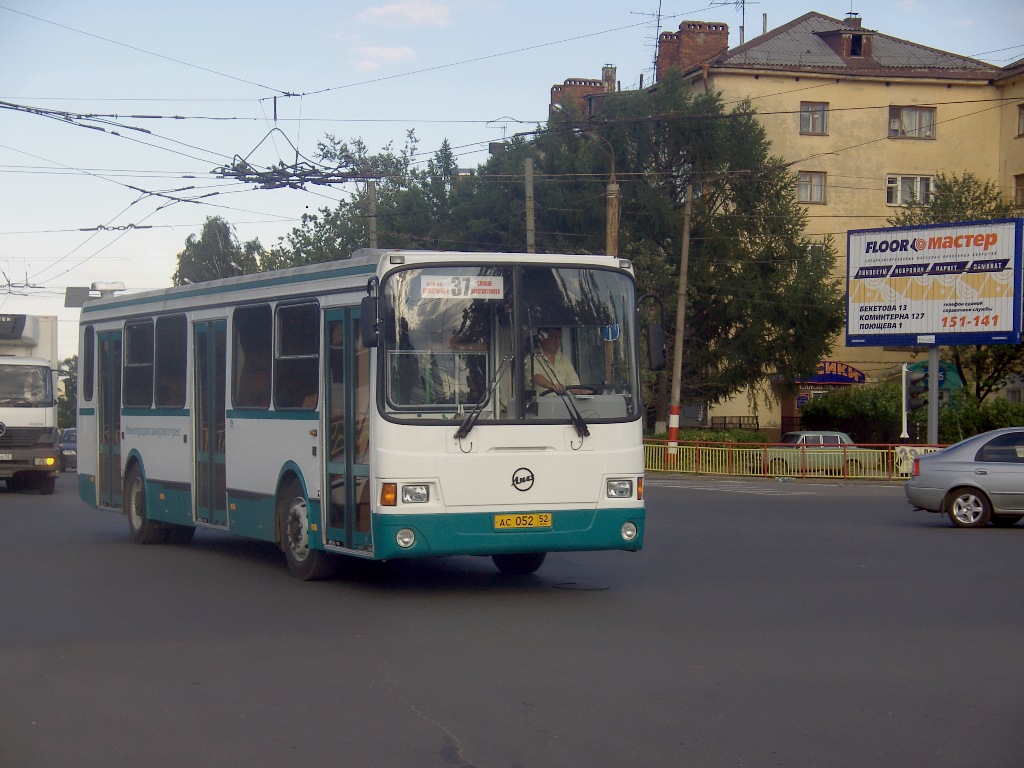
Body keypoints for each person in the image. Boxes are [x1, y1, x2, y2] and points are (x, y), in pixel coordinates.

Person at [531, 327, 582, 394]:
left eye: (559, 338)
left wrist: (583, 392)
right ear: (543, 338)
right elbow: (536, 377)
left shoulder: (564, 359)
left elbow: (573, 385)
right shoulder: (532, 358)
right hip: (541, 403)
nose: (556, 342)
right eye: (553, 338)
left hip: (565, 403)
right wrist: (552, 386)